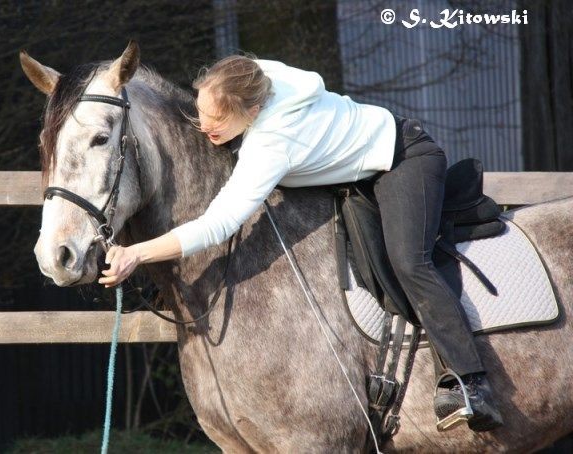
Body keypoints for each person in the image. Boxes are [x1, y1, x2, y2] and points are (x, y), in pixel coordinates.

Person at [98, 56, 503, 432]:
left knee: (409, 262)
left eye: (217, 122)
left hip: (403, 158)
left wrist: (138, 251)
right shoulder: (255, 74)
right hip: (354, 171)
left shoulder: (271, 143)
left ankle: (470, 382)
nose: (205, 128)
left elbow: (218, 224)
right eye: (202, 112)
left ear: (253, 112)